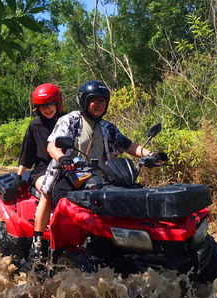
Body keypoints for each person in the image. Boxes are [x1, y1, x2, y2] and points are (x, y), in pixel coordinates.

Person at [29, 80, 166, 262]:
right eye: (95, 100)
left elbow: (128, 145)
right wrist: (62, 158)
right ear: (84, 101)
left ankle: (135, 244)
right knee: (48, 194)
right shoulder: (70, 120)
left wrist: (151, 155)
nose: (100, 105)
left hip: (101, 177)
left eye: (103, 101)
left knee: (135, 191)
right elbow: (52, 145)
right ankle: (37, 243)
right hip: (69, 173)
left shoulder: (108, 127)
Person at [14, 83, 65, 231]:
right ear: (37, 108)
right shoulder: (34, 126)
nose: (47, 109)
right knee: (49, 189)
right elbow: (26, 154)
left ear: (58, 104)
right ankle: (38, 238)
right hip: (43, 171)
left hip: (67, 168)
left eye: (50, 105)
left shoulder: (68, 120)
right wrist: (19, 176)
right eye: (43, 107)